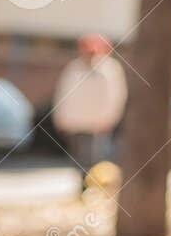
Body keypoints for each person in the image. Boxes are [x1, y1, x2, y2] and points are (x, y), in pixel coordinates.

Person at [51, 33, 127, 195]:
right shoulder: (74, 68)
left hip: (97, 124)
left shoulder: (110, 69)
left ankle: (94, 188)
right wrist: (60, 116)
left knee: (94, 158)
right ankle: (82, 187)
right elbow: (63, 93)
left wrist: (109, 119)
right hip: (75, 122)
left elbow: (116, 97)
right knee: (78, 158)